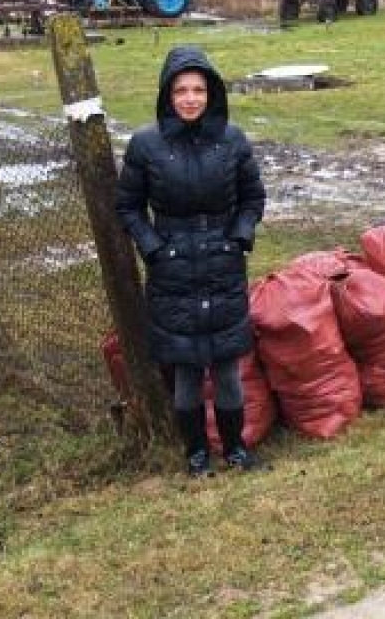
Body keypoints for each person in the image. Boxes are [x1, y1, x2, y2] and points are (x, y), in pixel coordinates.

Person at [116, 45, 266, 477]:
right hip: (173, 271)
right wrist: (153, 248)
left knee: (226, 369)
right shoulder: (146, 145)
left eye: (198, 89)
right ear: (167, 94)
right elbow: (128, 206)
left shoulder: (232, 141)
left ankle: (235, 448)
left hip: (222, 266)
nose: (190, 98)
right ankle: (196, 453)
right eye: (181, 90)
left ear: (211, 93)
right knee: (185, 371)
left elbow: (253, 197)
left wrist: (239, 235)